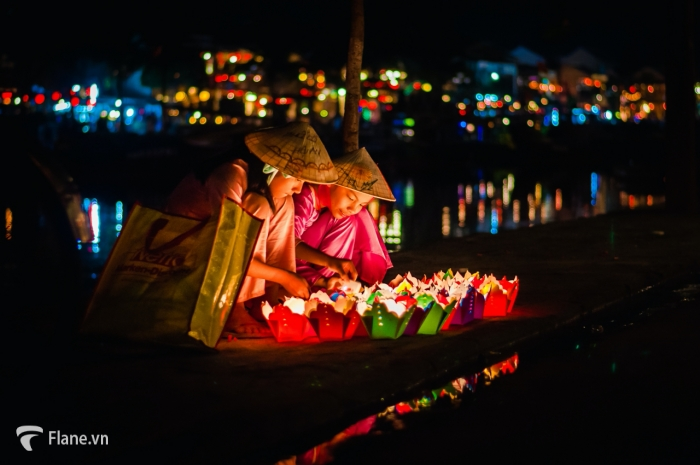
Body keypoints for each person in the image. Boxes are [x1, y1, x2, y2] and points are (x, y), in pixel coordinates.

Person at [165, 122, 338, 337]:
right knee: (262, 204)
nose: (298, 188)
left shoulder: (268, 190)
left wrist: (324, 264)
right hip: (184, 250)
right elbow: (228, 249)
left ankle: (265, 299)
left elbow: (279, 242)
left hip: (218, 250)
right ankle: (233, 307)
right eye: (296, 178)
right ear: (271, 168)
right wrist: (285, 277)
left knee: (284, 203)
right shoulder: (231, 175)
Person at [293, 147, 395, 291]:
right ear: (331, 181)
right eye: (351, 198)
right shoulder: (304, 196)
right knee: (344, 219)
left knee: (350, 218)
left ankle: (332, 282)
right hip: (288, 262)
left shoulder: (327, 207)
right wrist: (331, 262)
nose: (353, 208)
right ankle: (326, 285)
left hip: (303, 263)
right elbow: (287, 242)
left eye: (362, 204)